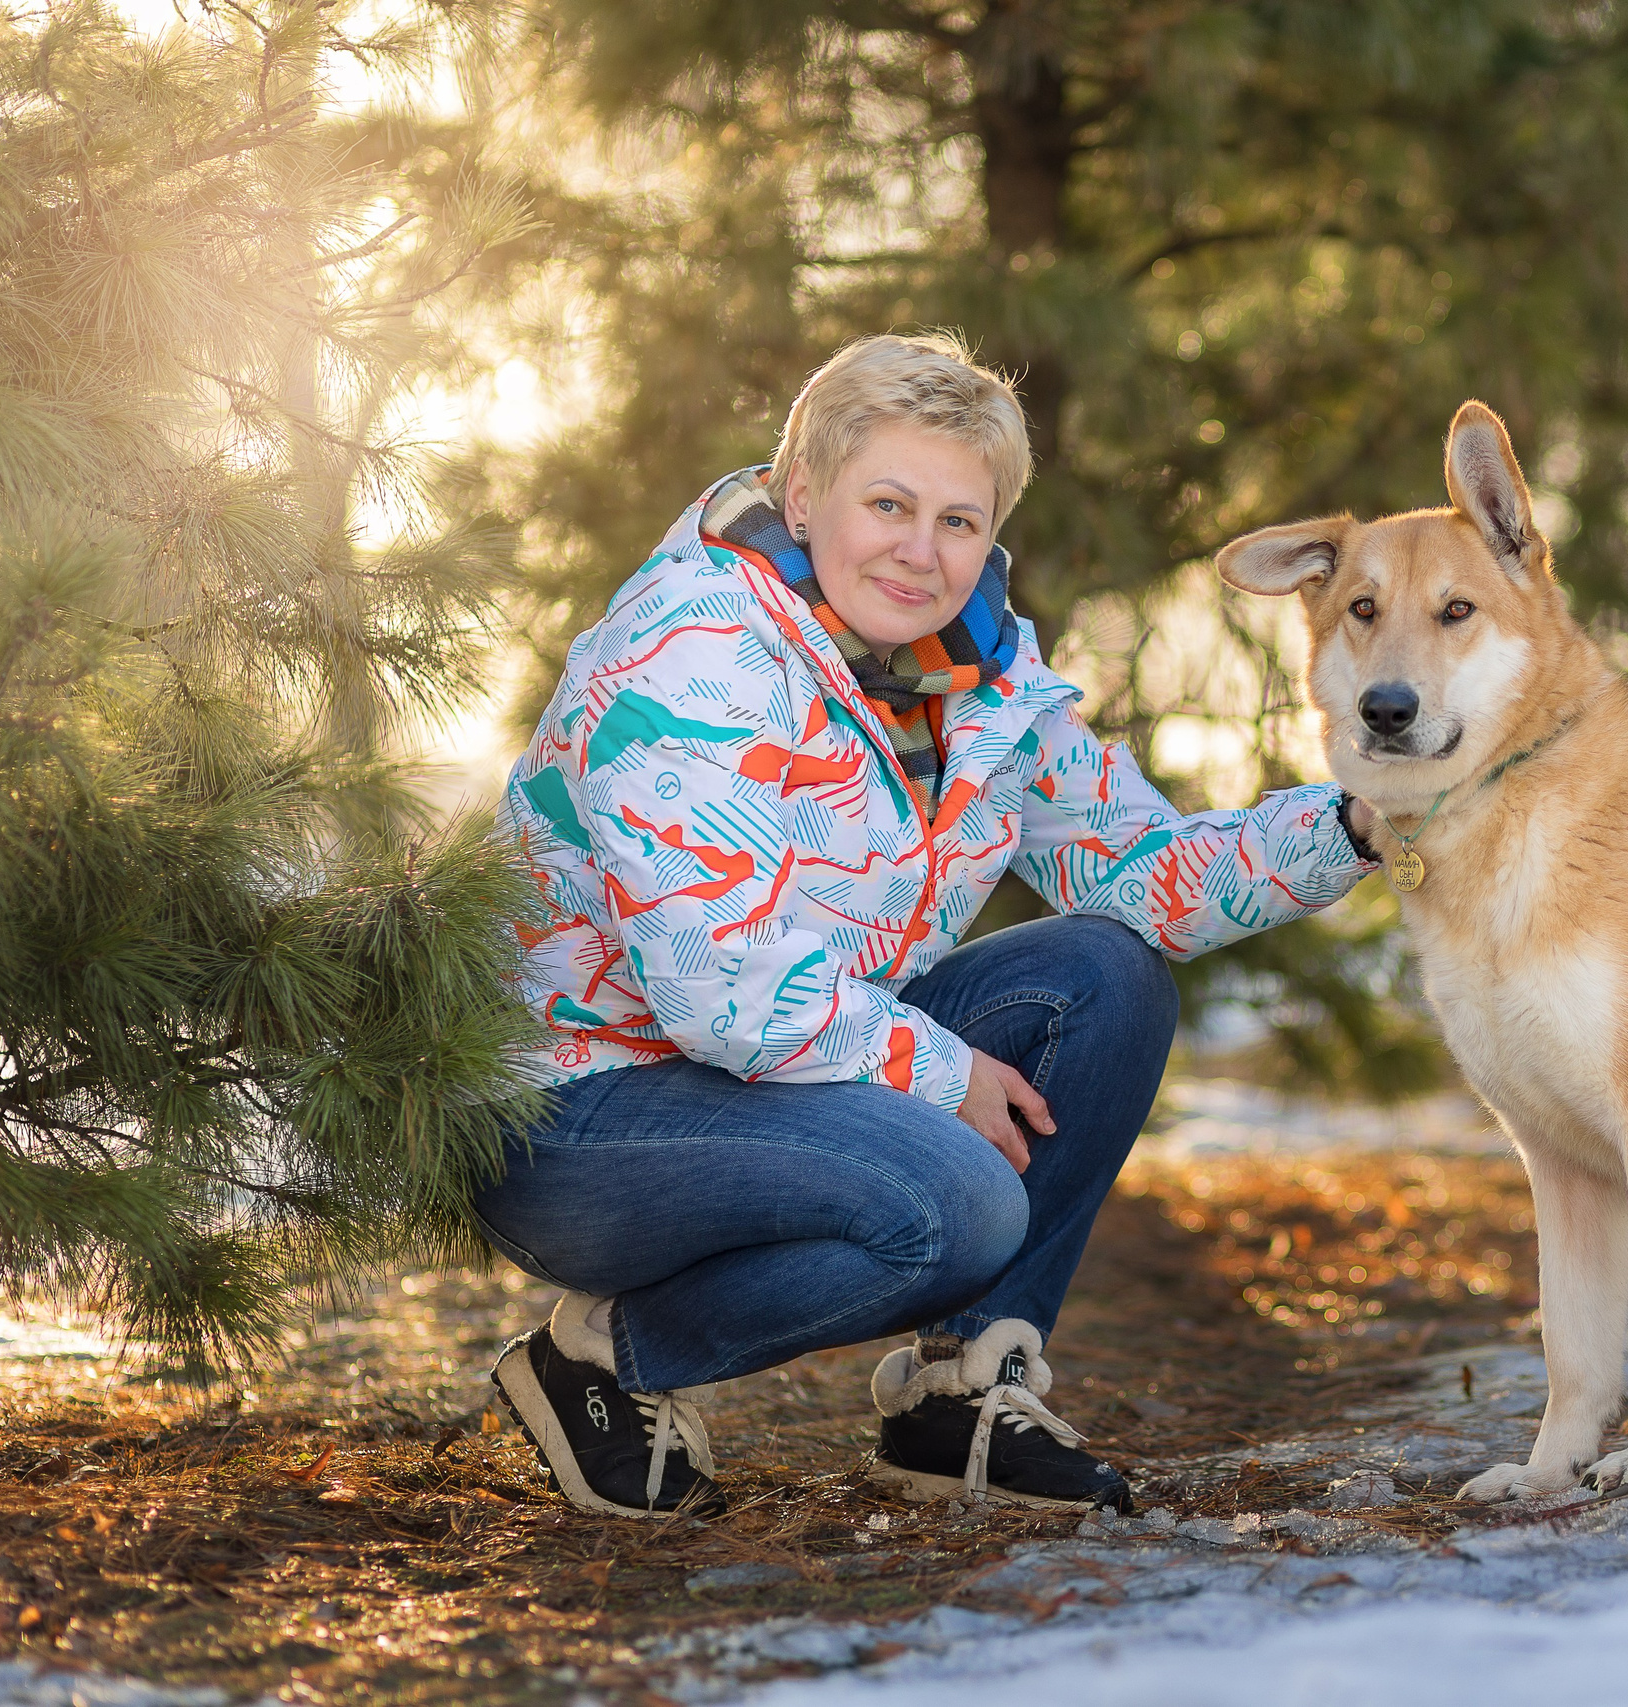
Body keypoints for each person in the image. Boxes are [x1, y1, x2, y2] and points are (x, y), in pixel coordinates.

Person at [477, 332, 1378, 1518]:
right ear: (805, 496)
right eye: (888, 503)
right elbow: (726, 990)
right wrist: (941, 1070)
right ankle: (601, 1360)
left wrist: (1356, 823)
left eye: (960, 520)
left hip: (787, 1066)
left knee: (1109, 978)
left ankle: (963, 1393)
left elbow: (1146, 871)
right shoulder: (692, 649)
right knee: (960, 1202)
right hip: (576, 1110)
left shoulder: (981, 679)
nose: (921, 550)